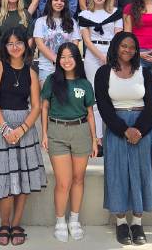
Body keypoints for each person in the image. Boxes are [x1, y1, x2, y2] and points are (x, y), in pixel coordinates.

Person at [95, 32, 152, 246]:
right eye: (124, 46)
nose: (128, 50)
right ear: (116, 46)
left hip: (143, 127)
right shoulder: (103, 72)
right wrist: (125, 130)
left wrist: (139, 130)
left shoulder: (144, 72)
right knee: (118, 174)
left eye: (132, 47)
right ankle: (121, 223)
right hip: (117, 127)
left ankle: (137, 222)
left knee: (141, 173)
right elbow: (104, 106)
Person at [0, 27, 46, 246]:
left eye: (19, 43)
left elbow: (36, 106)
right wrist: (6, 129)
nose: (15, 47)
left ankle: (16, 224)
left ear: (26, 45)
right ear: (4, 47)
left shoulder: (31, 73)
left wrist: (22, 129)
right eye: (10, 43)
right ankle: (4, 224)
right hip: (0, 128)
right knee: (4, 179)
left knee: (23, 178)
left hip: (25, 129)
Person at [40, 42, 98, 242]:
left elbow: (90, 114)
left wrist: (94, 139)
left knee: (78, 179)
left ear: (77, 59)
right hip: (57, 132)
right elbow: (45, 108)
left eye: (70, 56)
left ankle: (74, 220)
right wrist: (45, 134)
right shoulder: (51, 80)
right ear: (58, 59)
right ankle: (60, 221)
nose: (66, 60)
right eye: (63, 56)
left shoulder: (84, 84)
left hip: (81, 131)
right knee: (63, 182)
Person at [78, 0, 123, 156]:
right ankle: (98, 140)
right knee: (95, 98)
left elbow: (118, 36)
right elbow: (87, 41)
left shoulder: (115, 13)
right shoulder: (84, 14)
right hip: (92, 56)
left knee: (115, 96)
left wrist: (112, 58)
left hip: (114, 53)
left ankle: (117, 135)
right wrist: (103, 59)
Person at [34, 0, 81, 87]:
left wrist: (64, 61)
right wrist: (57, 60)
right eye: (56, 0)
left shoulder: (72, 22)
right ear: (50, 2)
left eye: (62, 0)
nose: (59, 3)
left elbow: (74, 45)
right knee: (49, 100)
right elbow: (39, 45)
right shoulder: (41, 21)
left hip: (67, 68)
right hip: (47, 68)